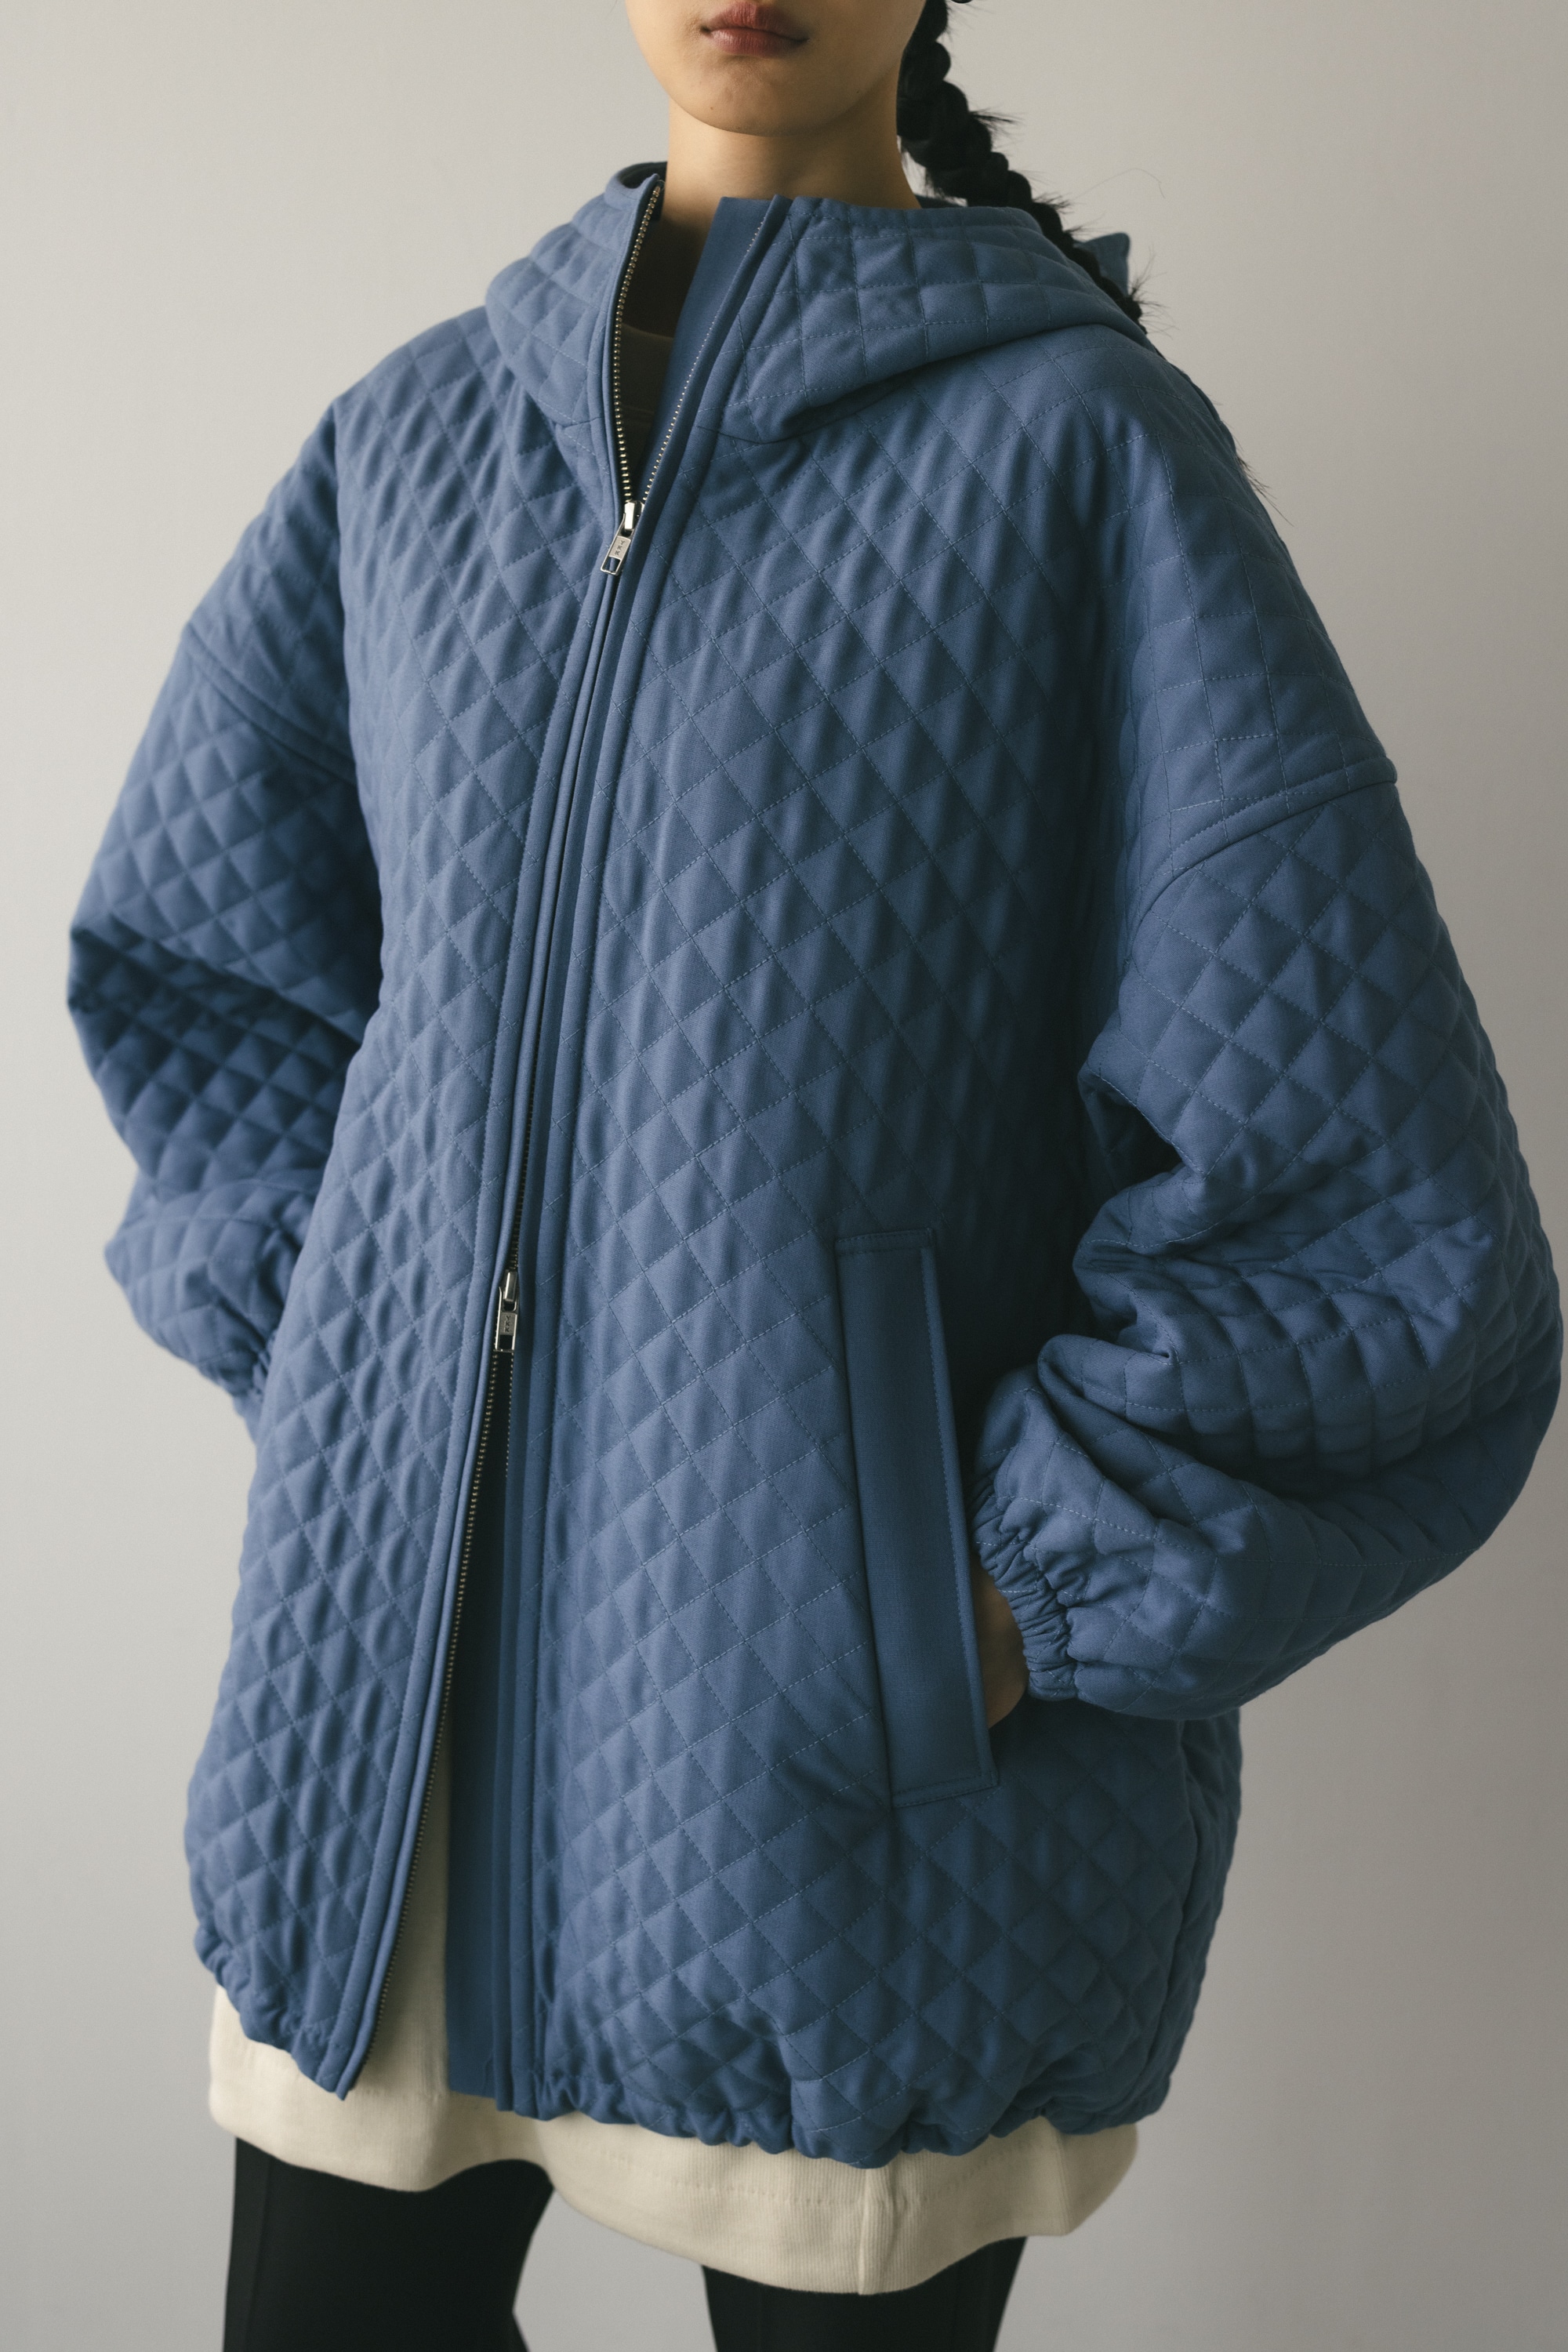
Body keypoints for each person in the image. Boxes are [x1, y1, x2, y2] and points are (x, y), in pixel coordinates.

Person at [68, 2, 1560, 2346]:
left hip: (846, 1834)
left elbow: (1374, 1215)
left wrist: (985, 1601)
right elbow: (210, 979)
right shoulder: (412, 447)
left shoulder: (1087, 459)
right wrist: (376, 1384)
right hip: (383, 1788)